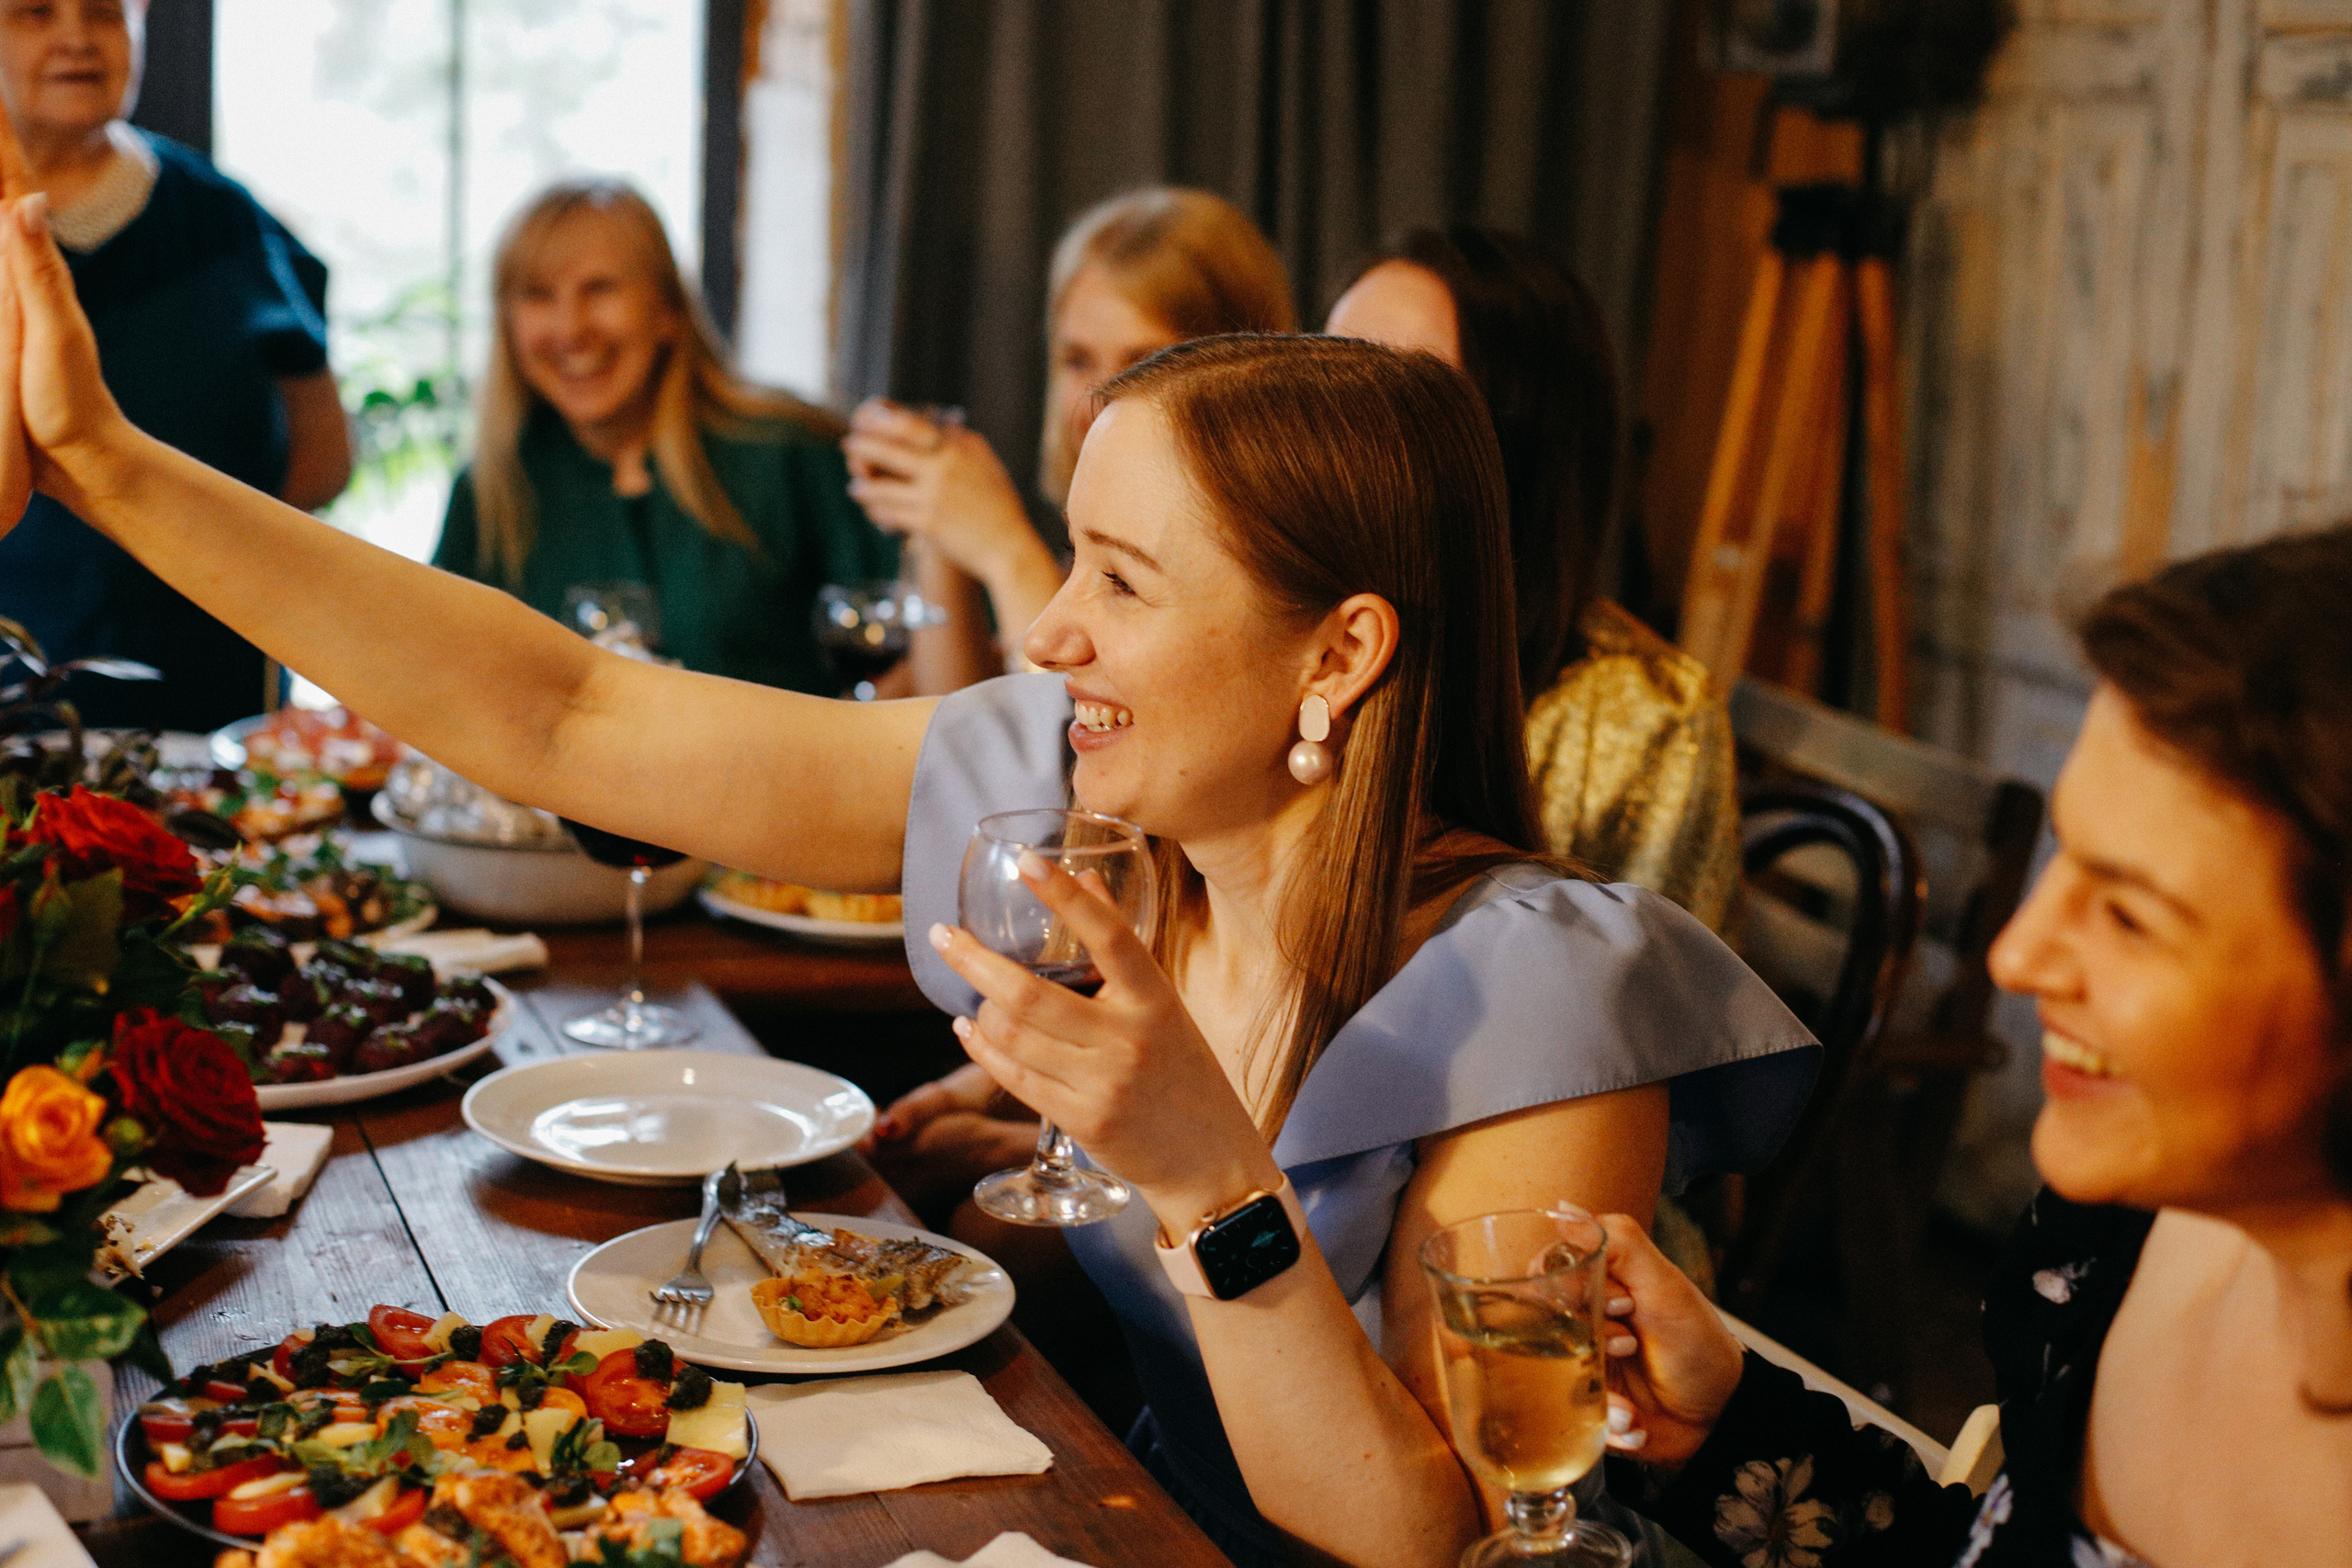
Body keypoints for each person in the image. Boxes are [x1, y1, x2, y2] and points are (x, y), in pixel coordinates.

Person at [0, 162, 1819, 1563]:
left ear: (1337, 651)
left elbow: (1415, 1525)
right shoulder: (1105, 801)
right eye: (1070, 556)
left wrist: (1202, 1168)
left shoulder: (1541, 992)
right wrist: (106, 466)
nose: (1052, 630)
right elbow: (567, 713)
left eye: (1125, 581)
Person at [1594, 525, 2352, 1565]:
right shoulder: (2111, 1230)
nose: (2017, 955)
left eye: (2130, 916)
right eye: (2066, 858)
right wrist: (1721, 1430)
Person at [1327, 228, 1740, 929]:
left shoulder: (1650, 712)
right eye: (1325, 369)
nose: (1331, 422)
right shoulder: (1281, 625)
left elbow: (1663, 985)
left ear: (1518, 438)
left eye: (1402, 391)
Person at [0, 0, 351, 731]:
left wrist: (213, 547)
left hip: (210, 696)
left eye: (105, 12)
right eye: (35, 13)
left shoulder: (224, 221)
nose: (76, 38)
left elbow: (324, 456)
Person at [433, 178, 898, 694]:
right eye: (539, 295)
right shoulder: (490, 491)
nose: (570, 329)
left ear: (669, 311)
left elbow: (918, 650)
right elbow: (438, 678)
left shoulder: (791, 452)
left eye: (600, 289)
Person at [842, 186, 1295, 688]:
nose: (1098, 399)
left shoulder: (1251, 561)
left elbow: (1070, 728)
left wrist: (1008, 554)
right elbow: (955, 725)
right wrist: (941, 528)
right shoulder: (1090, 543)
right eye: (1078, 361)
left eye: (1144, 363)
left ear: (1240, 370)